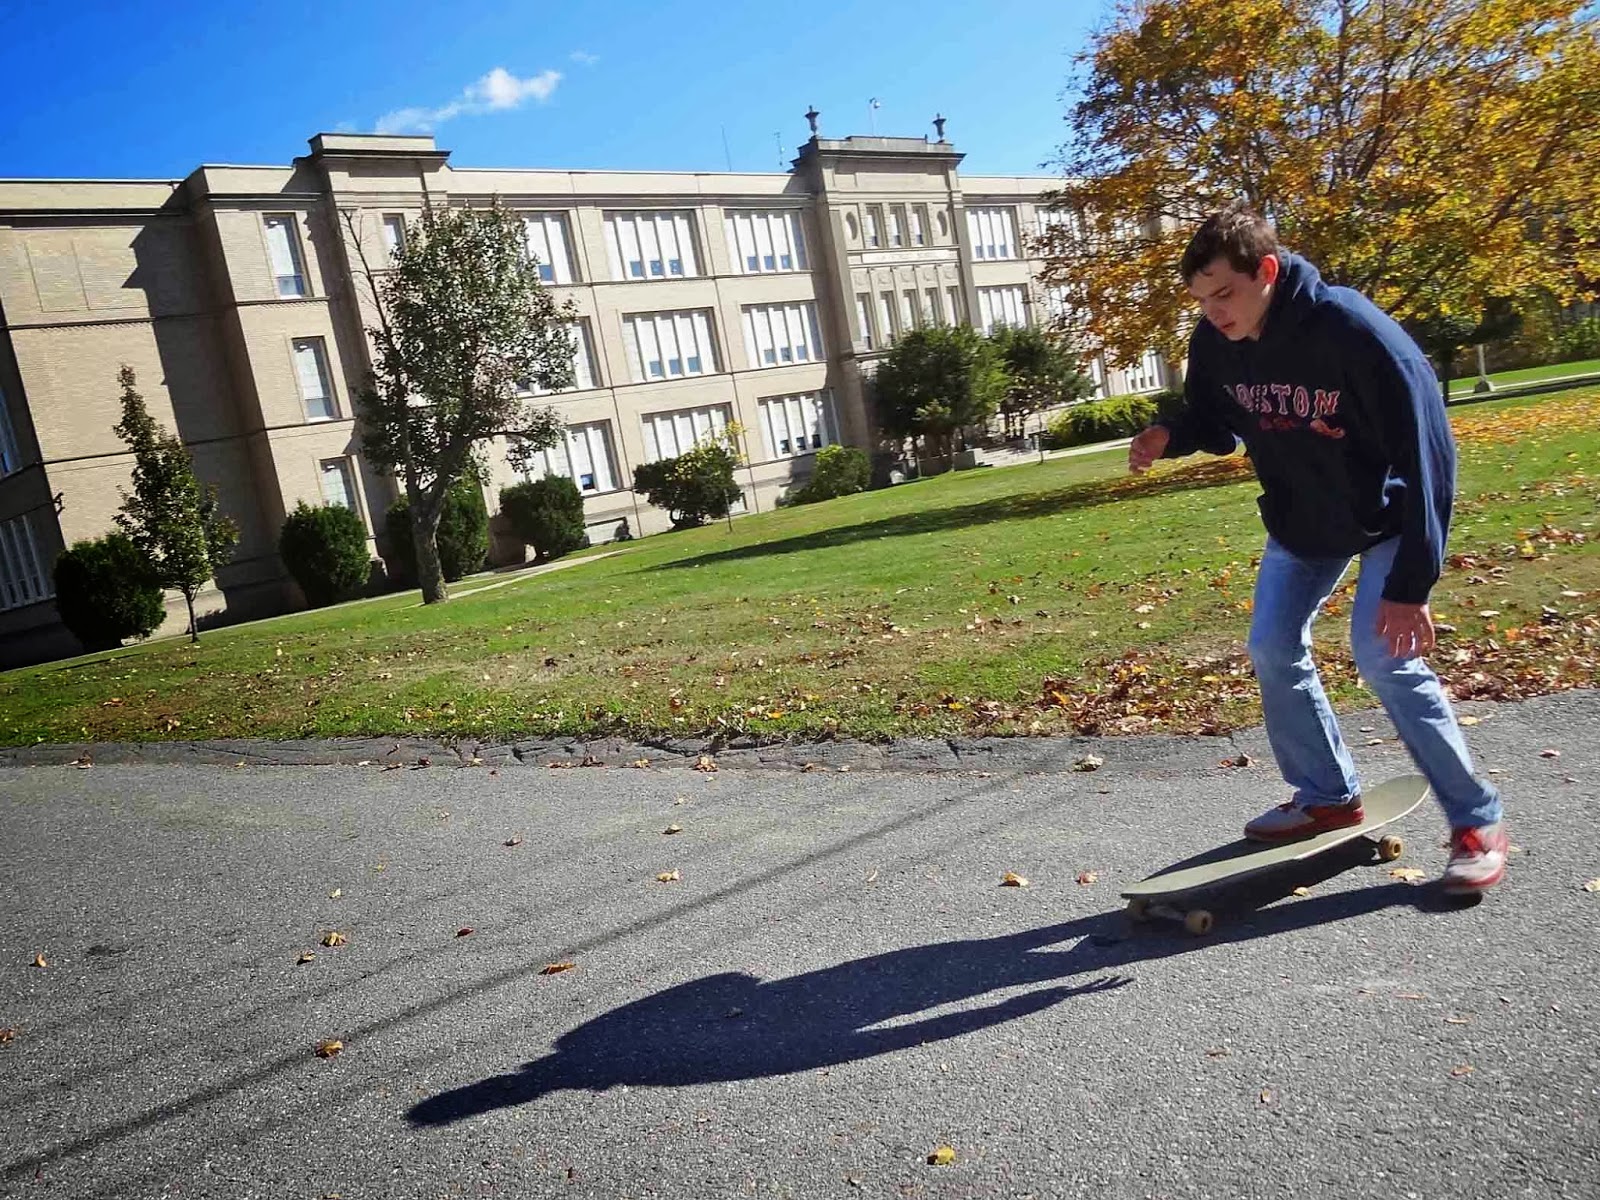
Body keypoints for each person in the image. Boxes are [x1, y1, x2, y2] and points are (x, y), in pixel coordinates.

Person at [1127, 203, 1507, 894]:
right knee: (1272, 647)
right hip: (1304, 522)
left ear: (1266, 271)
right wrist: (1168, 435)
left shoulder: (1355, 333)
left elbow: (1429, 457)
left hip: (1388, 517)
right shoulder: (1215, 340)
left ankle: (1477, 820)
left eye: (1225, 294)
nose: (1213, 313)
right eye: (1201, 300)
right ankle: (1327, 796)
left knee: (1384, 657)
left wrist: (1411, 585)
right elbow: (1215, 418)